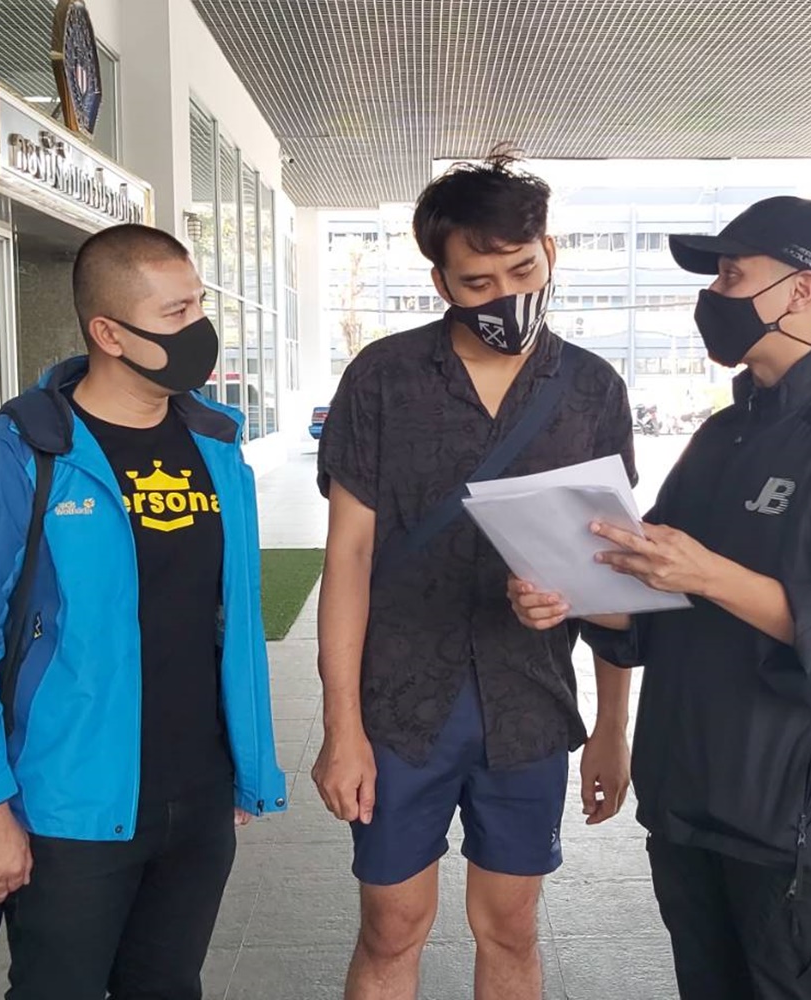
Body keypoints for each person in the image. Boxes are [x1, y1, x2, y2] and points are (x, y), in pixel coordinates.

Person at [508, 197, 811, 999]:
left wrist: (707, 574)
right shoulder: (723, 436)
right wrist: (571, 595)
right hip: (689, 809)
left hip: (797, 836)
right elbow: (655, 603)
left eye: (731, 275)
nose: (712, 296)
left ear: (802, 290)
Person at [0, 223, 286, 1000]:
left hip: (198, 794)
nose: (199, 328)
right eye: (175, 313)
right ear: (108, 333)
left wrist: (244, 767)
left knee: (168, 985)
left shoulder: (216, 444)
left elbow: (227, 622)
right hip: (67, 803)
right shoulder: (11, 454)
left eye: (199, 305)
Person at [311, 151, 637, 1000]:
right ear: (441, 282)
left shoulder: (592, 389)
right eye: (477, 282)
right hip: (399, 704)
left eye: (522, 271)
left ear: (550, 253)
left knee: (512, 928)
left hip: (529, 703)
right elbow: (348, 557)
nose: (505, 296)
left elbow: (613, 565)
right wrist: (341, 727)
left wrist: (612, 726)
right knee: (391, 928)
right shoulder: (382, 378)